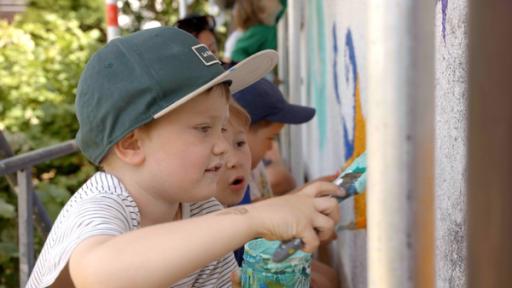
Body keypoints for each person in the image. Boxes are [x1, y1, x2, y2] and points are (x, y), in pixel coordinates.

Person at [26, 27, 342, 288]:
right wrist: (254, 219)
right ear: (132, 145)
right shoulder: (104, 203)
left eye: (222, 128)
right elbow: (99, 272)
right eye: (204, 129)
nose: (222, 147)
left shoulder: (200, 207)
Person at [233, 77, 316, 201]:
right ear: (242, 133)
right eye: (270, 137)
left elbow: (266, 207)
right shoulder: (233, 182)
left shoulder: (254, 168)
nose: (271, 147)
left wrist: (310, 192)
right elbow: (256, 213)